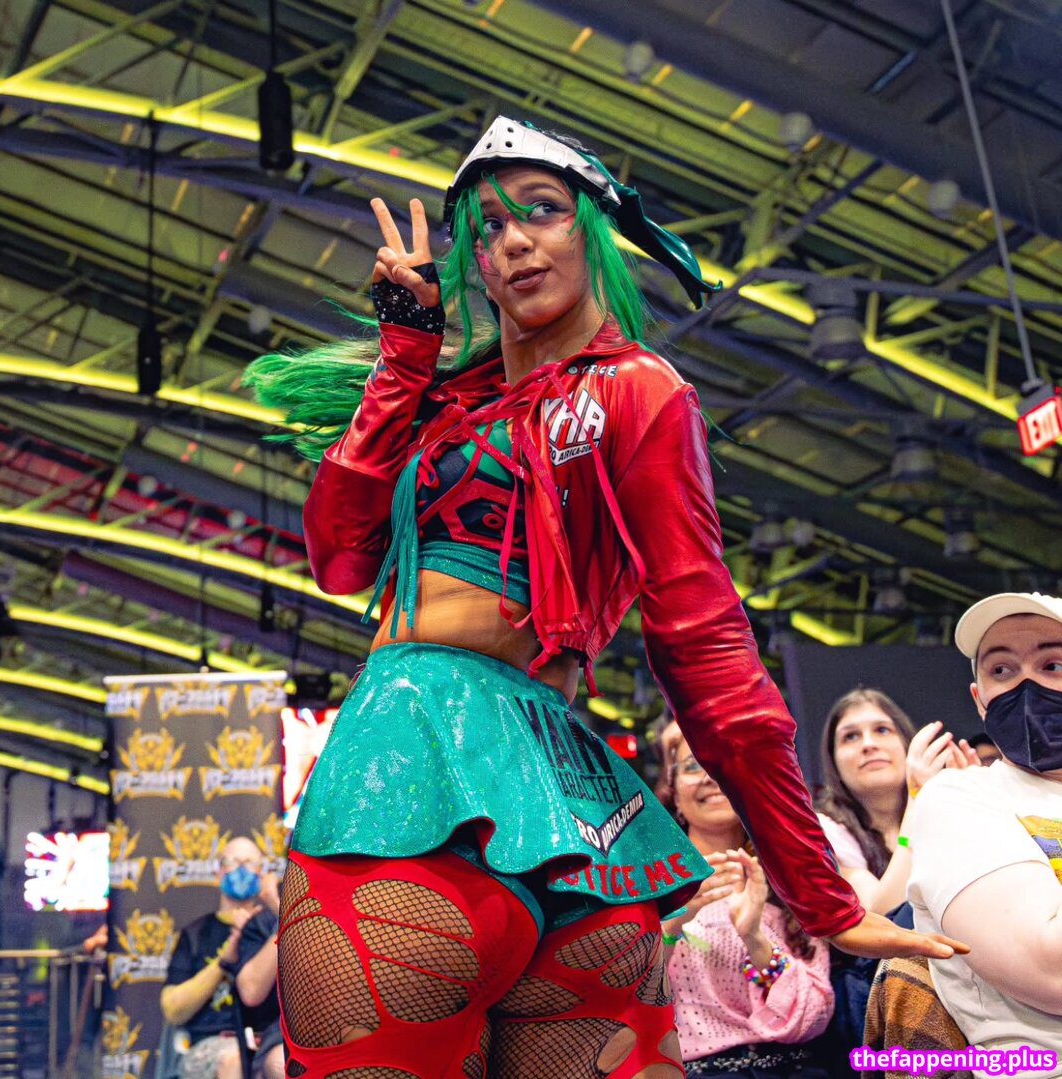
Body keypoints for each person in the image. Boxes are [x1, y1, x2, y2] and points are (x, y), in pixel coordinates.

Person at [246, 116, 963, 1078]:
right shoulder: (442, 402)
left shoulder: (639, 390)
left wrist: (821, 894)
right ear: (475, 267)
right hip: (453, 782)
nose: (513, 241)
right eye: (487, 230)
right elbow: (338, 557)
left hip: (499, 793)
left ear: (592, 226)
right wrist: (403, 358)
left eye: (541, 211)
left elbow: (705, 643)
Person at [908, 592, 1062, 1078]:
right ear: (979, 700)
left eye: (1053, 665)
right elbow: (1050, 969)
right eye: (1002, 670)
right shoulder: (958, 798)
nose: (1027, 686)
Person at [661, 740, 834, 1077]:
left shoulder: (792, 882)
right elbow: (625, 1000)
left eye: (722, 764)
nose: (710, 777)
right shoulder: (650, 885)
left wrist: (755, 939)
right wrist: (673, 924)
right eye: (694, 766)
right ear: (676, 797)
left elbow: (815, 1015)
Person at [814, 688, 977, 915]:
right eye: (850, 736)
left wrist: (973, 809)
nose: (868, 744)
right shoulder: (826, 831)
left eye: (882, 730)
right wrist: (917, 798)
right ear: (833, 761)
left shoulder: (942, 810)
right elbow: (882, 914)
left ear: (907, 744)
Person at [160, 837, 277, 1079]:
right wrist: (224, 960)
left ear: (262, 874)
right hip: (212, 1043)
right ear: (218, 873)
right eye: (232, 862)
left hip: (265, 1039)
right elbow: (172, 1009)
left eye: (250, 863)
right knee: (236, 1061)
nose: (241, 870)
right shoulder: (196, 934)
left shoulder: (272, 928)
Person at [232, 868, 284, 1079]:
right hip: (287, 1032)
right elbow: (251, 992)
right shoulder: (264, 920)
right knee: (281, 1064)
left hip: (356, 1022)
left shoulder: (367, 906)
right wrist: (283, 915)